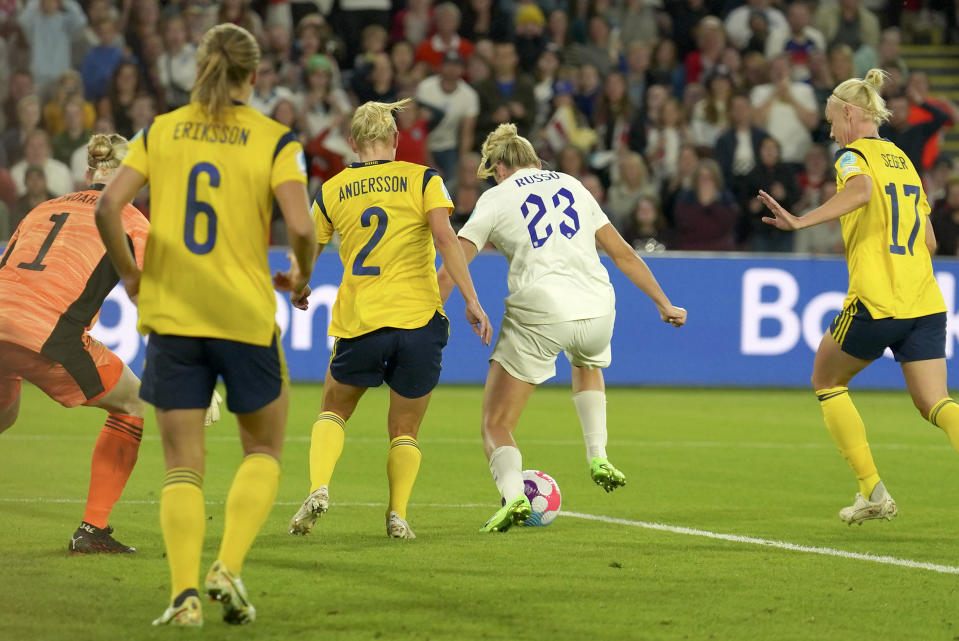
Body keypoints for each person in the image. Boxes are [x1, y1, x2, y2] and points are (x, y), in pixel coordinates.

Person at [94, 23, 316, 627]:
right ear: (254, 75)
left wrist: (134, 279)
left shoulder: (159, 131)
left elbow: (108, 206)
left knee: (183, 467)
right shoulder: (275, 139)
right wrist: (301, 274)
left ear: (198, 69)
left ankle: (183, 595)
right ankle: (229, 567)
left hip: (175, 317)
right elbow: (301, 224)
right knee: (264, 448)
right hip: (244, 316)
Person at [437, 123, 686, 532]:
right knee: (587, 362)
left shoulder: (496, 197)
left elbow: (455, 262)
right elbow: (622, 254)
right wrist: (664, 303)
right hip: (598, 306)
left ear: (498, 168)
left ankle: (515, 494)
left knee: (496, 423)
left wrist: (439, 311)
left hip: (542, 308)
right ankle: (598, 454)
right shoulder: (573, 184)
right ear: (536, 162)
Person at [758, 69, 959, 525]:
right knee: (936, 402)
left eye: (832, 120)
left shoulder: (852, 156)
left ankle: (872, 490)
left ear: (850, 113)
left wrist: (801, 221)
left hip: (877, 299)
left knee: (826, 380)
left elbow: (861, 190)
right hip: (925, 302)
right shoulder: (903, 160)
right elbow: (928, 242)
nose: (831, 131)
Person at [287, 98, 492, 541]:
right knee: (405, 429)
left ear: (353, 142)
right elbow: (445, 238)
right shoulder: (423, 179)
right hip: (419, 321)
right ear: (395, 140)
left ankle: (319, 487)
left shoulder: (332, 190)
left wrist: (300, 287)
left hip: (361, 321)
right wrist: (472, 300)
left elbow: (305, 248)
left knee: (333, 410)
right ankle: (397, 514)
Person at [0, 134, 149, 554]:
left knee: (4, 417)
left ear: (88, 173)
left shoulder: (41, 207)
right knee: (133, 402)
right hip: (48, 333)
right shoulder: (131, 219)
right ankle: (93, 530)